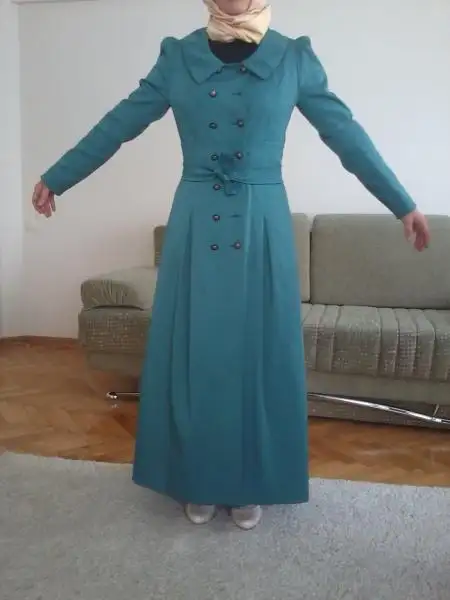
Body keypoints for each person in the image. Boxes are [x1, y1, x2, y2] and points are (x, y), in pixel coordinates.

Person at [32, 0, 430, 530]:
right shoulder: (178, 58)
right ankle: (197, 477)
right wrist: (58, 176)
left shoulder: (292, 58)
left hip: (261, 224)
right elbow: (119, 124)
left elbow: (345, 133)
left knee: (256, 356)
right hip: (196, 222)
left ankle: (250, 482)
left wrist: (401, 203)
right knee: (198, 355)